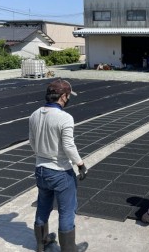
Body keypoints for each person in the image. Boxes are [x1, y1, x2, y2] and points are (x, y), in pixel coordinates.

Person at [29, 79, 88, 252]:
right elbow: (69, 146)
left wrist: (41, 155)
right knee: (67, 210)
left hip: (40, 169)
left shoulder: (34, 114)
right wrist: (80, 164)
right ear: (63, 96)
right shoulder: (65, 118)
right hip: (60, 172)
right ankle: (69, 249)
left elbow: (32, 141)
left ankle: (41, 244)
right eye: (68, 96)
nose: (69, 98)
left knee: (43, 206)